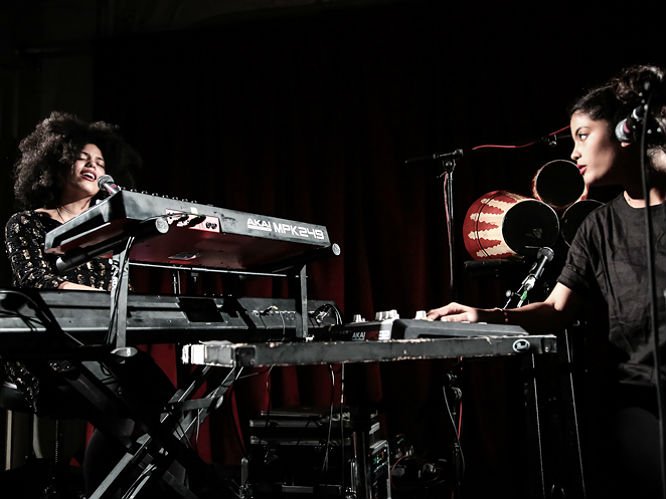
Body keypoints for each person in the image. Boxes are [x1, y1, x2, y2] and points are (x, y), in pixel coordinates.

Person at [427, 64, 666, 498]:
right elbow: (556, 309)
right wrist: (484, 315)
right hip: (638, 403)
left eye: (583, 135)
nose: (574, 153)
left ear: (627, 131)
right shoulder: (598, 227)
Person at [2, 111, 177, 497]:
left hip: (101, 348)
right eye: (84, 158)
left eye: (100, 162)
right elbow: (39, 284)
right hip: (46, 350)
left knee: (165, 404)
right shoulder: (26, 223)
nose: (94, 167)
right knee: (123, 415)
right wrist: (109, 299)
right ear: (56, 163)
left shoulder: (111, 235)